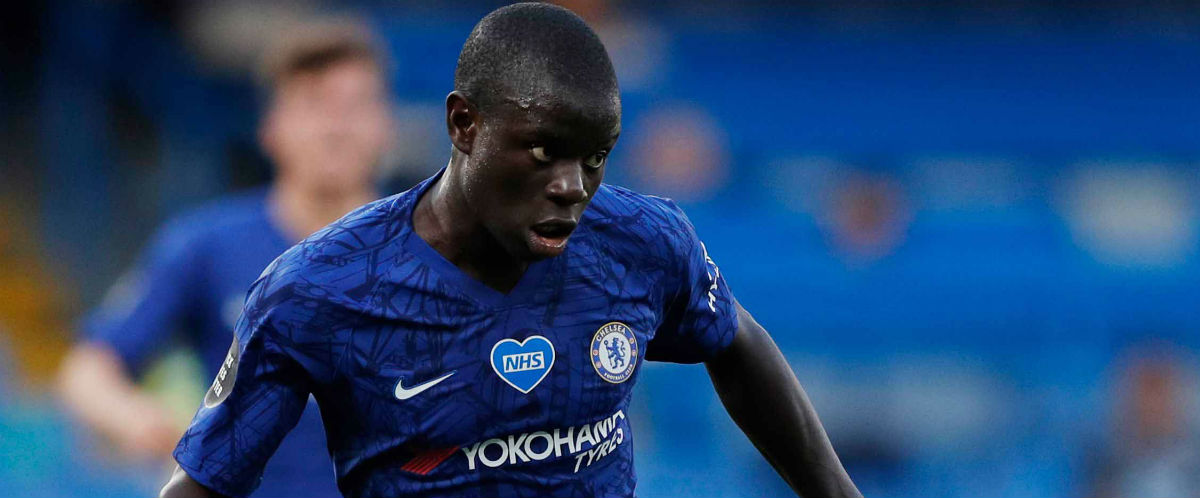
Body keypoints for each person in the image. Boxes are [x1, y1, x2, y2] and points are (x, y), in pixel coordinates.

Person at [160, 4, 860, 498]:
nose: (572, 187)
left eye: (594, 158)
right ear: (464, 124)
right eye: (544, 152)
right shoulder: (320, 288)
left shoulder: (641, 242)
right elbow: (204, 483)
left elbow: (734, 339)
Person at [59, 20, 396, 498]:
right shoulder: (206, 245)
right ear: (271, 128)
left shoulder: (437, 249)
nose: (336, 126)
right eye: (314, 104)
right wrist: (136, 419)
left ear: (386, 124)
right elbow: (87, 372)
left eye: (356, 105)